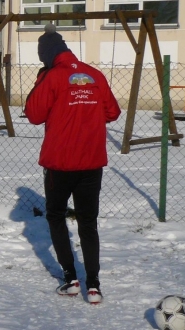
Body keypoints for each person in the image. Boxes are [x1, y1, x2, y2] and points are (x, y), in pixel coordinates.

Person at [23, 24, 121, 305]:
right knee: (88, 222)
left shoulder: (52, 77)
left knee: (55, 216)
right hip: (91, 162)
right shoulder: (94, 74)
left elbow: (33, 114)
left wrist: (42, 81)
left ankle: (71, 279)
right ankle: (94, 286)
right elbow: (112, 112)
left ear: (47, 55)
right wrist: (86, 110)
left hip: (60, 163)